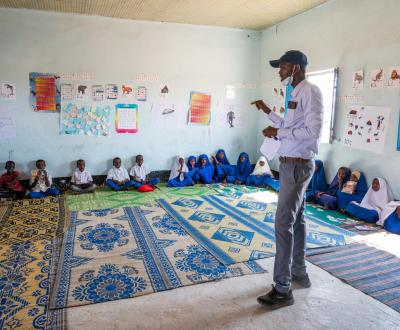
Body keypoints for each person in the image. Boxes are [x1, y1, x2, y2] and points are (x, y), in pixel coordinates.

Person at [251, 50, 323, 309]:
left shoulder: (310, 91)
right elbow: (290, 126)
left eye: (282, 67)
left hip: (297, 166)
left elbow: (312, 132)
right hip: (291, 165)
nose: (279, 71)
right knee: (297, 221)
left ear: (296, 67)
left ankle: (282, 289)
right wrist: (268, 112)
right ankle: (299, 273)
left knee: (283, 224)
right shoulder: (295, 92)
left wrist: (278, 130)